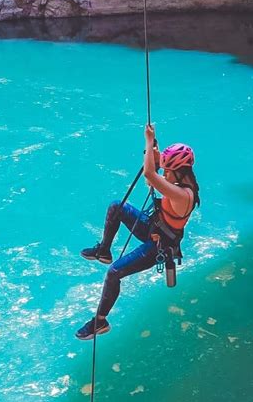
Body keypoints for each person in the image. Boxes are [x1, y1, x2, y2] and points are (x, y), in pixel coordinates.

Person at [75, 124, 200, 340]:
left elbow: (150, 174)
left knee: (114, 273)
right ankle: (104, 251)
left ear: (178, 171)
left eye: (168, 171)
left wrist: (148, 140)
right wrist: (153, 150)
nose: (165, 173)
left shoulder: (183, 195)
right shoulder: (179, 182)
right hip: (155, 228)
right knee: (117, 206)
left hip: (160, 246)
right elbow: (155, 167)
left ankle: (100, 321)